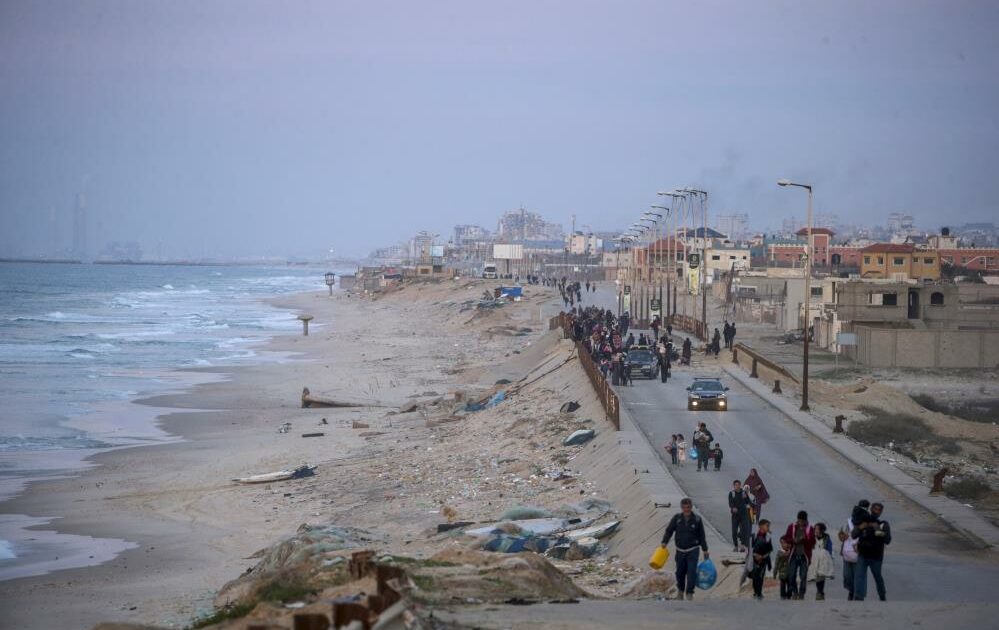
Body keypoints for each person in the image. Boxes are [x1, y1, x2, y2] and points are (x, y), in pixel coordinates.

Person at [659, 497, 709, 600]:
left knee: (691, 572)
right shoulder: (677, 519)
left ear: (691, 507)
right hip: (680, 551)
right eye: (685, 507)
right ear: (682, 508)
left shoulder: (697, 519)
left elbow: (702, 536)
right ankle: (680, 592)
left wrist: (705, 550)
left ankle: (690, 593)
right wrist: (664, 542)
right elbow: (669, 531)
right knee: (680, 573)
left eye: (688, 507)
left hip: (693, 550)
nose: (687, 510)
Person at [852, 502, 891, 601]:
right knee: (859, 576)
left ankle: (882, 595)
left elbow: (887, 540)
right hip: (863, 555)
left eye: (879, 510)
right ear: (871, 509)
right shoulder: (864, 521)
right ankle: (859, 596)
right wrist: (862, 527)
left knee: (878, 577)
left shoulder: (883, 524)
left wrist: (878, 530)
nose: (876, 512)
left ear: (881, 512)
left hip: (876, 556)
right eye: (875, 509)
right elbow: (853, 535)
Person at [840, 500, 869, 600]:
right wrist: (843, 536)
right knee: (847, 576)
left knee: (860, 577)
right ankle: (851, 591)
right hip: (847, 553)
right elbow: (841, 535)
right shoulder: (848, 521)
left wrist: (861, 545)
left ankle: (859, 595)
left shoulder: (867, 523)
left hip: (860, 554)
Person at [784, 511, 816, 600]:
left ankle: (801, 593)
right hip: (794, 554)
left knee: (803, 576)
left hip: (804, 556)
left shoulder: (810, 529)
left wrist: (804, 540)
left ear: (806, 521)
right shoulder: (792, 527)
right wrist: (793, 540)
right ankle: (795, 592)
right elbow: (786, 538)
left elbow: (813, 543)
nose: (801, 523)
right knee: (791, 575)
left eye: (803, 521)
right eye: (799, 520)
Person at [747, 519, 773, 600]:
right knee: (755, 576)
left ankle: (759, 593)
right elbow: (750, 548)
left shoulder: (768, 537)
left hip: (763, 560)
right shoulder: (753, 536)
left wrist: (762, 557)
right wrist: (755, 555)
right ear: (761, 526)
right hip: (754, 559)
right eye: (767, 526)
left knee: (761, 576)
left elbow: (769, 550)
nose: (768, 527)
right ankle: (755, 592)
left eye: (768, 526)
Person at [809, 522, 835, 601]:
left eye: (818, 529)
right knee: (817, 576)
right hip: (815, 559)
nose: (816, 531)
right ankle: (819, 592)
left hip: (824, 559)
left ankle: (820, 592)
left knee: (821, 576)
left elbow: (829, 548)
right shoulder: (812, 537)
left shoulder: (826, 537)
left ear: (822, 530)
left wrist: (829, 557)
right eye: (815, 529)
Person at [728, 480, 752, 552]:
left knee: (744, 531)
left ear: (740, 485)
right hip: (735, 515)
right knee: (734, 531)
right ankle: (735, 546)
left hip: (743, 514)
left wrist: (745, 497)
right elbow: (730, 503)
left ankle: (742, 545)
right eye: (736, 485)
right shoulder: (731, 493)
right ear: (734, 486)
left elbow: (748, 502)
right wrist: (733, 508)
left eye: (738, 485)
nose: (737, 486)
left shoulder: (744, 493)